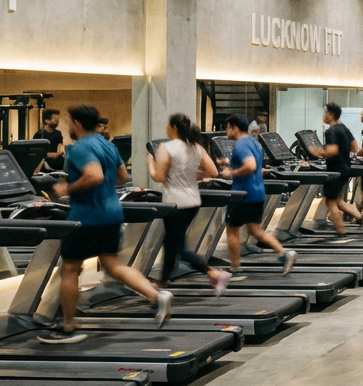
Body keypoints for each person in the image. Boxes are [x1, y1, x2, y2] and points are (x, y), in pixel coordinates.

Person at [39, 105, 170, 343]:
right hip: (112, 213)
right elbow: (122, 177)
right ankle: (156, 296)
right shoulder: (108, 145)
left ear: (77, 123)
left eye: (69, 122)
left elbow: (94, 175)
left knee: (70, 269)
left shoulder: (80, 147)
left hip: (87, 217)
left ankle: (68, 326)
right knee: (112, 265)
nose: (67, 126)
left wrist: (68, 189)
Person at [148, 114, 231, 294]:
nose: (166, 128)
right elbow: (213, 172)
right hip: (193, 201)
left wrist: (150, 163)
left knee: (179, 247)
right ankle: (163, 281)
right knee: (170, 241)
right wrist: (193, 175)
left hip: (175, 203)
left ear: (174, 127)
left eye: (168, 125)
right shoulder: (196, 147)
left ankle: (213, 273)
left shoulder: (166, 147)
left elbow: (159, 177)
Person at [220, 114, 296, 275]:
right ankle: (284, 253)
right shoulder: (254, 143)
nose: (226, 131)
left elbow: (250, 165)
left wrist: (230, 173)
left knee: (232, 229)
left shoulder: (240, 144)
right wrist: (228, 163)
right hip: (257, 193)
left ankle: (234, 267)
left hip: (242, 194)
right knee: (255, 231)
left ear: (234, 127)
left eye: (227, 127)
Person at [307, 103, 363, 234]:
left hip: (336, 169)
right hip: (345, 167)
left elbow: (333, 150)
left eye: (325, 113)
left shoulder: (331, 131)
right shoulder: (344, 128)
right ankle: (360, 218)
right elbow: (354, 146)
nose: (323, 116)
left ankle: (341, 231)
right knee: (336, 199)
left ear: (330, 114)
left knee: (330, 202)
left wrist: (318, 152)